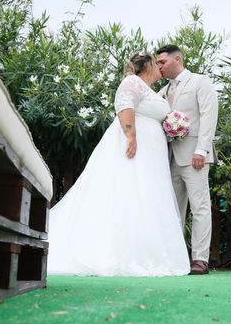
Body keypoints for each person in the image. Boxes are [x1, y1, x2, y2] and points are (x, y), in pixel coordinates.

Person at [46, 52, 190, 276]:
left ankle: (144, 251)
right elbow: (124, 106)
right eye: (156, 63)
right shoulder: (132, 82)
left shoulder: (151, 91)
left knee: (146, 197)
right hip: (135, 150)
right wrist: (131, 136)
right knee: (128, 192)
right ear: (147, 66)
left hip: (152, 156)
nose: (160, 68)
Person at [156, 45, 219, 275]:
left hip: (194, 156)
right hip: (170, 157)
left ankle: (200, 259)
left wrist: (201, 150)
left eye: (162, 62)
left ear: (177, 59)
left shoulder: (200, 82)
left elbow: (208, 116)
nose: (159, 66)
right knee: (173, 208)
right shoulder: (163, 91)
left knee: (200, 206)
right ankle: (176, 257)